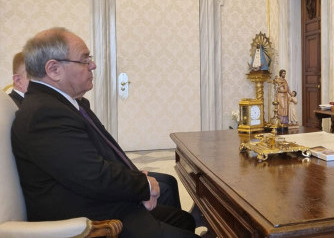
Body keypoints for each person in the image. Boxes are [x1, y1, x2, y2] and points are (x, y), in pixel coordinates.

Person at [11, 27, 206, 238]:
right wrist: (144, 186)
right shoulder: (44, 113)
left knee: (183, 220)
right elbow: (92, 175)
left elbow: (106, 152)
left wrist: (138, 179)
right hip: (91, 220)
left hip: (101, 203)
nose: (93, 65)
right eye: (85, 60)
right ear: (54, 69)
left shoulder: (66, 103)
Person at [12, 51, 181, 210]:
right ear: (18, 81)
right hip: (79, 198)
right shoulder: (38, 111)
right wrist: (139, 184)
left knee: (168, 184)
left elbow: (103, 148)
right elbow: (84, 171)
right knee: (165, 192)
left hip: (93, 177)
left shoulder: (66, 103)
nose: (92, 66)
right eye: (33, 76)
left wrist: (133, 173)